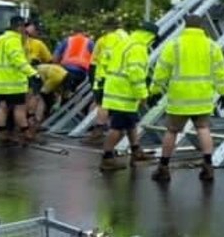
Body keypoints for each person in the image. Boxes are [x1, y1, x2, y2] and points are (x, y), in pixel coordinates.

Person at [150, 14, 224, 183]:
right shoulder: (211, 46)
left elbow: (162, 69)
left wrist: (155, 90)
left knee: (172, 131)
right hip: (202, 97)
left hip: (179, 98)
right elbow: (220, 71)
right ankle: (208, 166)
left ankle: (163, 167)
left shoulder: (174, 45)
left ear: (185, 25)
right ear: (201, 27)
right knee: (203, 128)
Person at [99, 21, 159, 173]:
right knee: (118, 127)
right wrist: (143, 94)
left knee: (130, 123)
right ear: (150, 37)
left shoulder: (126, 42)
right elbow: (136, 73)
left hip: (116, 89)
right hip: (124, 92)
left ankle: (136, 150)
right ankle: (107, 158)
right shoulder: (139, 48)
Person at [0, 15, 39, 147]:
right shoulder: (14, 40)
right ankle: (26, 134)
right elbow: (18, 60)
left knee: (2, 107)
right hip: (13, 82)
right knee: (19, 108)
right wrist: (33, 73)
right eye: (23, 27)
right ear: (19, 27)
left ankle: (1, 134)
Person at [84, 19, 128, 147]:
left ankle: (98, 130)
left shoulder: (105, 39)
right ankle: (114, 130)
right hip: (116, 73)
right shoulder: (124, 38)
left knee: (101, 102)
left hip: (101, 72)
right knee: (111, 102)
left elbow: (97, 58)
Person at [54, 26, 93, 91]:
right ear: (83, 33)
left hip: (64, 70)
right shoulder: (89, 42)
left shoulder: (67, 40)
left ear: (73, 33)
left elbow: (55, 57)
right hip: (80, 72)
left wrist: (56, 67)